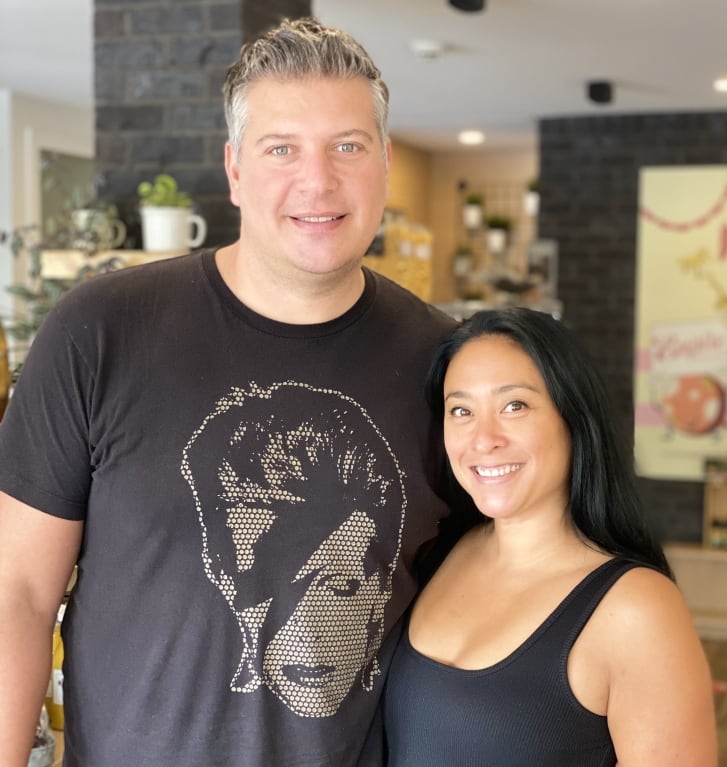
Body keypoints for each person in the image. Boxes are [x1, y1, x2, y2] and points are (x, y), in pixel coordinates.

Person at [0, 17, 474, 766]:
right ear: (235, 169)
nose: (316, 180)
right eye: (281, 147)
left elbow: (507, 592)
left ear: (383, 162)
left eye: (347, 146)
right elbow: (18, 590)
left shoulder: (452, 366)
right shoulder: (100, 330)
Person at [383, 307, 719, 766]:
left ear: (572, 417)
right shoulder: (441, 550)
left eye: (514, 406)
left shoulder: (635, 610)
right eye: (461, 410)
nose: (483, 439)